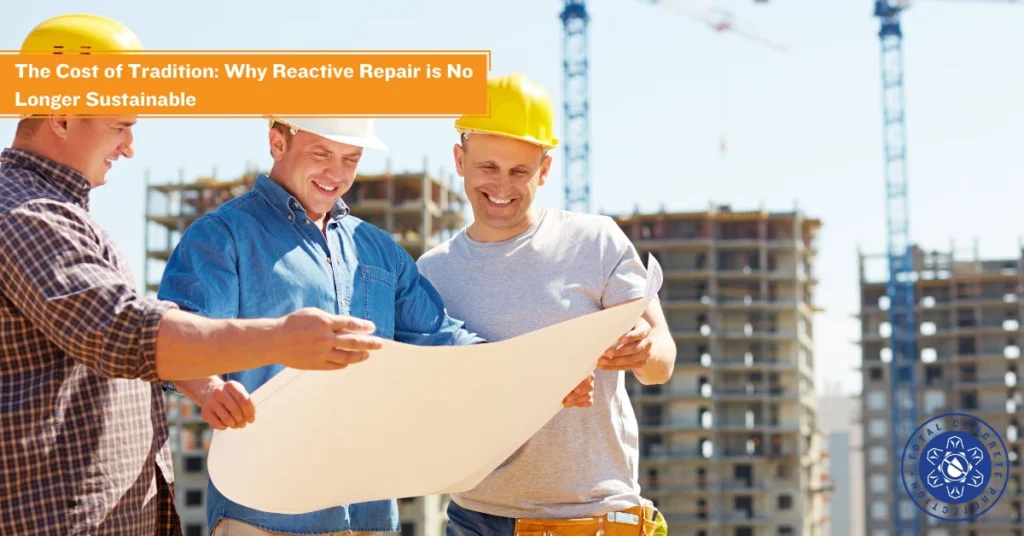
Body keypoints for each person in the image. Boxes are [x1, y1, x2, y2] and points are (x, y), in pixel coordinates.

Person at [0, 14, 388, 536]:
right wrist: (280, 339)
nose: (129, 147)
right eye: (120, 126)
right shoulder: (26, 215)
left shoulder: (58, 212)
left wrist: (208, 387)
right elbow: (125, 331)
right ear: (63, 115)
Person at [156, 115, 596, 535]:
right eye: (321, 154)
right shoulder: (223, 235)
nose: (336, 173)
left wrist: (541, 376)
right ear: (277, 142)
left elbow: (444, 340)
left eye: (351, 159)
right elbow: (177, 338)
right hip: (264, 513)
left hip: (366, 513)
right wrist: (209, 388)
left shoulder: (376, 249)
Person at [415, 73, 676, 536]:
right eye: (487, 167)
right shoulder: (433, 274)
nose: (502, 186)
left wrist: (645, 349)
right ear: (460, 159)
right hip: (475, 518)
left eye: (520, 171)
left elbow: (661, 363)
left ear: (546, 170)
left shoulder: (595, 242)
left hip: (590, 514)